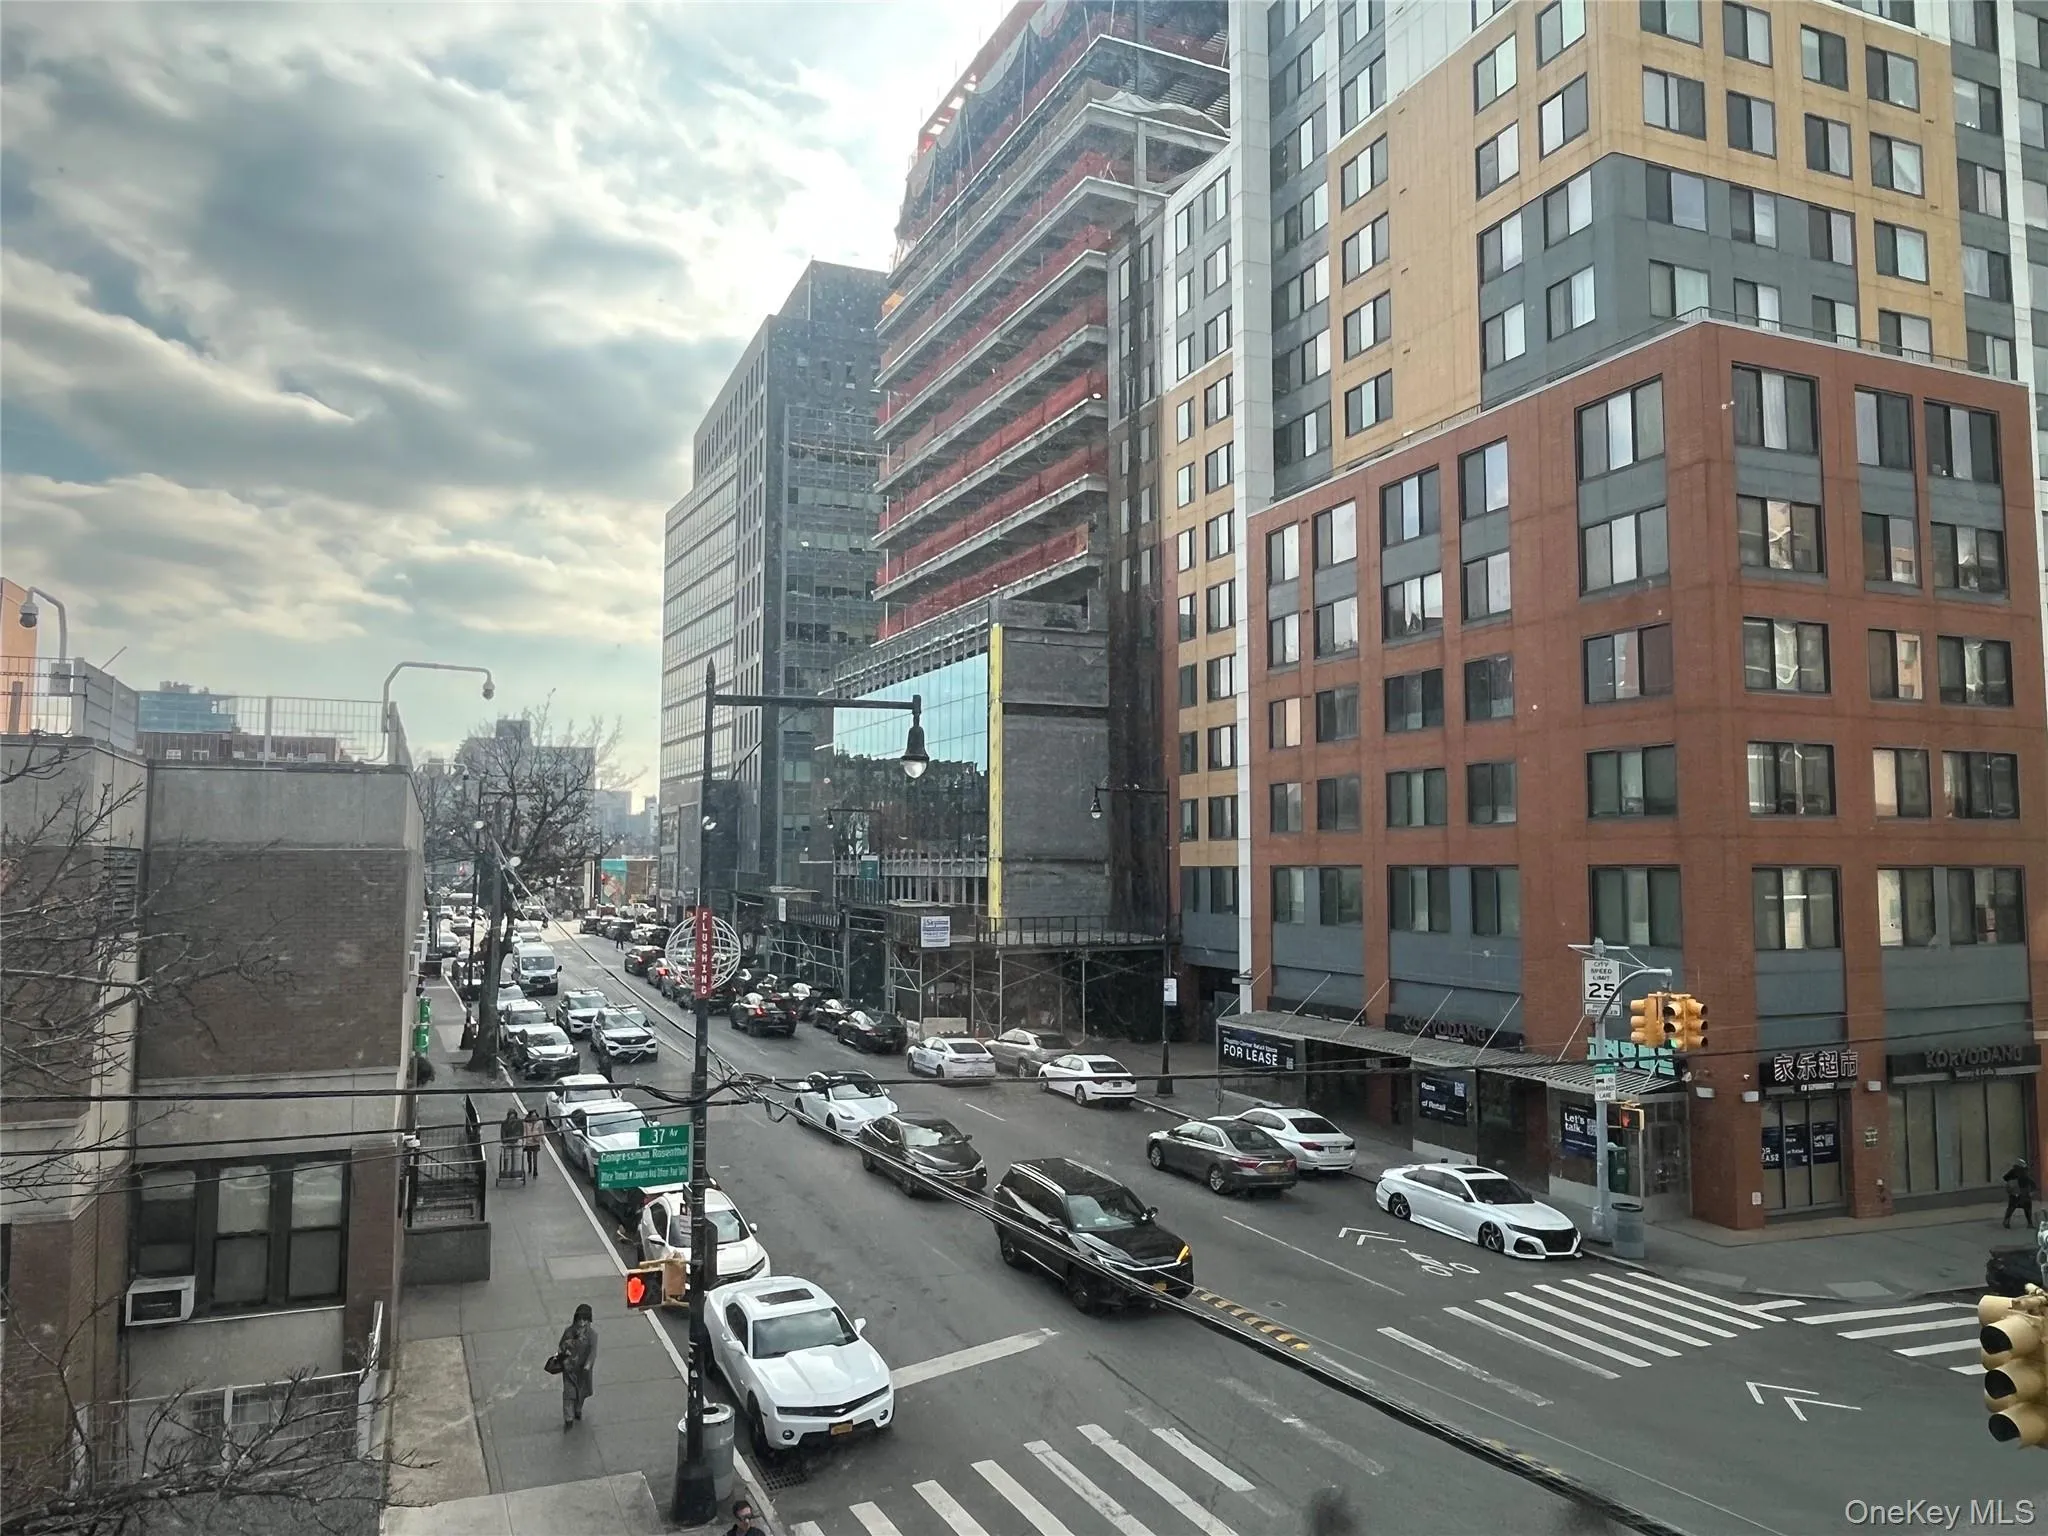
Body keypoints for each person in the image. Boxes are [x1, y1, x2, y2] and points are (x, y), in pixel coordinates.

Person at [555, 1302, 597, 1428]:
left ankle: (578, 1409)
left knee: (582, 1392)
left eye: (585, 1320)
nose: (582, 1323)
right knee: (569, 1394)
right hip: (570, 1368)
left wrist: (588, 1365)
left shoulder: (592, 1335)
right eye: (580, 1319)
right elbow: (561, 1345)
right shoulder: (569, 1332)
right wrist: (565, 1351)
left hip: (583, 1371)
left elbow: (593, 1351)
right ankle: (568, 1418)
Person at [2004, 1160, 2037, 1228]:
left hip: (2015, 1193)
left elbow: (2005, 1177)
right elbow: (2030, 1181)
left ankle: (2006, 1221)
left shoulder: (2013, 1171)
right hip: (2024, 1193)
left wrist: (2011, 1181)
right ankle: (2030, 1223)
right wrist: (2033, 1189)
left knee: (2011, 1208)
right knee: (2027, 1208)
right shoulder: (2025, 1171)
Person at [500, 1107, 524, 1182]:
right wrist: (504, 1141)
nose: (512, 1119)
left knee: (516, 1156)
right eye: (511, 1117)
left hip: (516, 1141)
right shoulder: (504, 1123)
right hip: (507, 1142)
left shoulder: (519, 1122)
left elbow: (521, 1132)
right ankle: (505, 1170)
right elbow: (503, 1133)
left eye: (513, 1117)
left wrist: (518, 1139)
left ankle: (514, 1170)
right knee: (506, 1156)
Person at [522, 1108, 543, 1179]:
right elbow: (524, 1133)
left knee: (535, 1157)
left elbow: (542, 1132)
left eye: (535, 1116)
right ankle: (530, 1167)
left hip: (536, 1142)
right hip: (528, 1142)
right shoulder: (526, 1123)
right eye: (533, 1117)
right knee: (529, 1157)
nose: (534, 1118)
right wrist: (524, 1143)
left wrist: (541, 1139)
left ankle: (535, 1170)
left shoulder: (540, 1122)